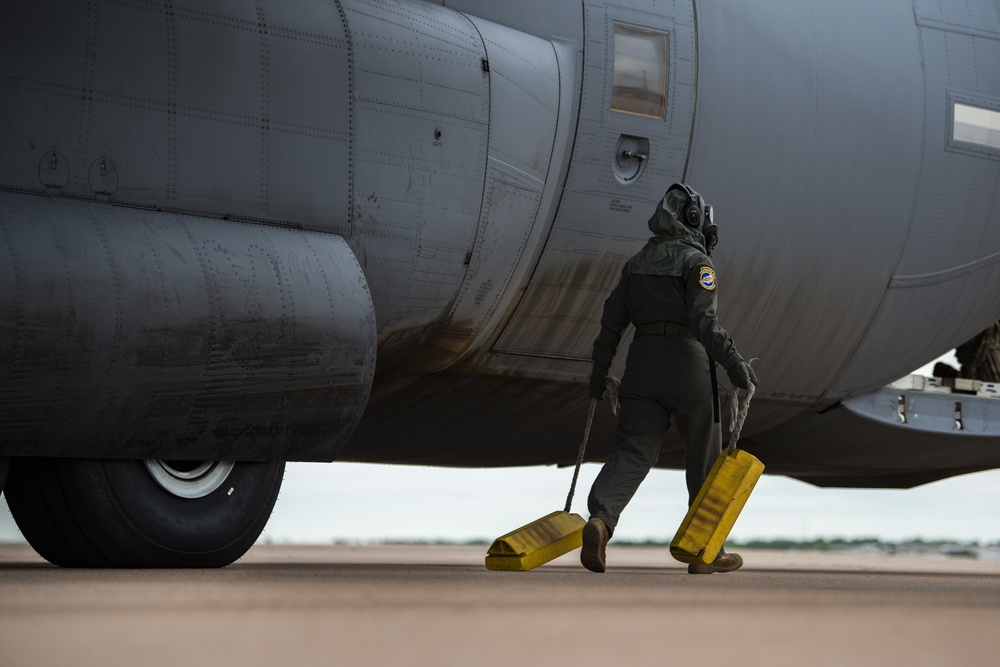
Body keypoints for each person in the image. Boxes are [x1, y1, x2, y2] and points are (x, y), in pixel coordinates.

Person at [581, 183, 758, 575]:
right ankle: (706, 552)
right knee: (703, 459)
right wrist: (734, 364)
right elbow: (703, 322)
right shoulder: (698, 264)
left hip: (641, 364)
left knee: (631, 451)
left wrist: (598, 374)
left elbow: (611, 323)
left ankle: (601, 520)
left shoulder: (636, 263)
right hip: (687, 361)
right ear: (692, 219)